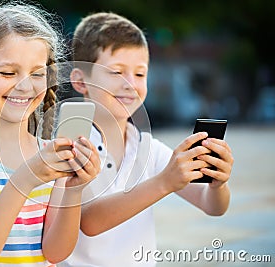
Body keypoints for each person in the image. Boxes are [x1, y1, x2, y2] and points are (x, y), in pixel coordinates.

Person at [58, 12, 234, 267]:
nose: (130, 84)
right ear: (80, 81)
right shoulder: (69, 144)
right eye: (116, 72)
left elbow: (212, 206)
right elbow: (89, 221)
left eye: (140, 74)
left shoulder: (148, 148)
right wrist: (164, 182)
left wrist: (218, 184)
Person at [0, 3, 101, 267]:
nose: (24, 86)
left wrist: (73, 189)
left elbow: (56, 252)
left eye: (37, 74)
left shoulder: (49, 156)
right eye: (8, 73)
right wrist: (23, 180)